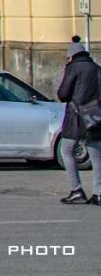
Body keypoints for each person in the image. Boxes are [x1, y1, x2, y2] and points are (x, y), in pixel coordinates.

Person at [57, 40, 101, 205]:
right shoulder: (97, 69)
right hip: (96, 117)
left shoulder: (73, 68)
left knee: (67, 150)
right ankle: (99, 193)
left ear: (71, 56)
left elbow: (63, 94)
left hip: (76, 117)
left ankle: (77, 190)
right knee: (97, 156)